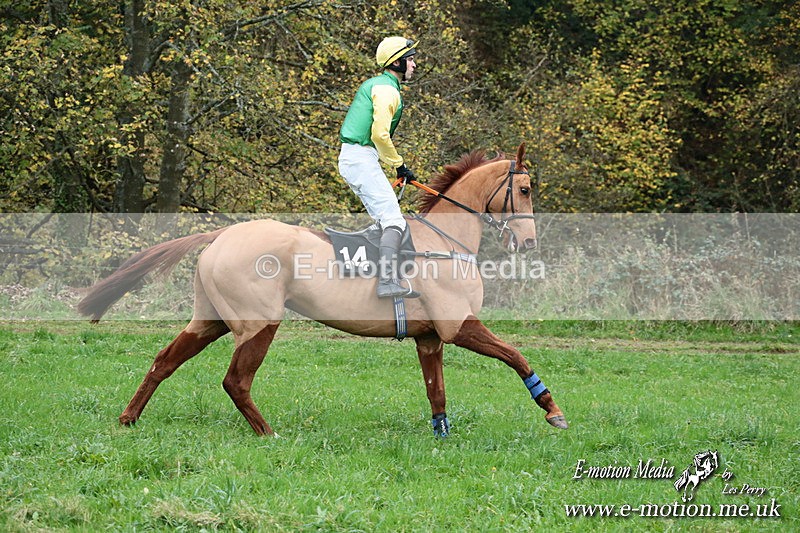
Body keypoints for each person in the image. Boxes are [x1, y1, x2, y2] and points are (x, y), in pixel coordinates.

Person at [338, 36, 420, 299]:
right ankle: (386, 282)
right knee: (393, 220)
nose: (414, 64)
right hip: (360, 157)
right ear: (397, 62)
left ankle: (365, 272)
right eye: (410, 59)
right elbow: (380, 135)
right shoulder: (387, 90)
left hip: (360, 158)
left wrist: (396, 165)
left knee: (384, 221)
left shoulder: (380, 85)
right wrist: (399, 165)